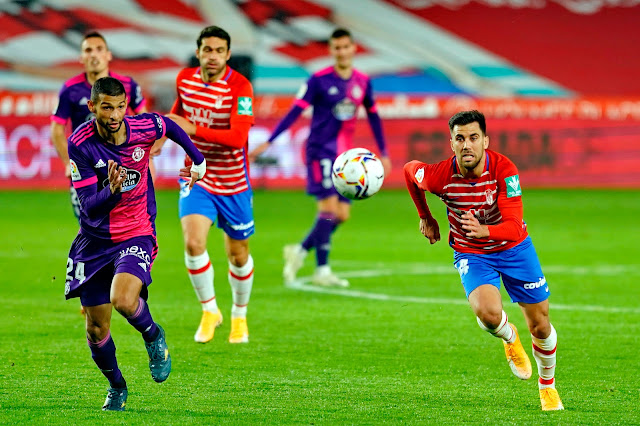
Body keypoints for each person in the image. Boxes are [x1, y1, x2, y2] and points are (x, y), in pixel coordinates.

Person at [403, 110, 563, 411]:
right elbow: (410, 170)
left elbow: (515, 225)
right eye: (460, 138)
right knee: (488, 314)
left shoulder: (505, 169)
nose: (467, 145)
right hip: (472, 252)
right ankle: (508, 335)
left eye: (473, 138)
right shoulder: (439, 175)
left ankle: (547, 387)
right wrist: (425, 216)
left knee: (541, 326)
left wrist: (485, 230)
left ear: (485, 141)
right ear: (451, 144)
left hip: (515, 249)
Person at [64, 76, 206, 411]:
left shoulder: (143, 126)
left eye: (120, 107)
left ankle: (153, 335)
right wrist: (111, 190)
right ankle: (117, 386)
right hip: (94, 241)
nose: (114, 115)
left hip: (136, 232)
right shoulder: (80, 144)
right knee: (97, 328)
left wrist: (197, 159)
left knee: (124, 299)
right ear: (92, 107)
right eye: (106, 107)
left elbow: (168, 125)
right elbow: (87, 205)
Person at [250, 28, 391, 288]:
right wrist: (269, 140)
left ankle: (300, 250)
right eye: (337, 47)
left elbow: (373, 116)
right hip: (319, 151)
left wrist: (383, 152)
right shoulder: (318, 80)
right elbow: (294, 112)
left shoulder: (362, 81)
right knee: (327, 210)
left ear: (353, 49)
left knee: (342, 214)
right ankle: (322, 270)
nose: (342, 51)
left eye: (346, 46)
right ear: (331, 51)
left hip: (344, 156)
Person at [165, 26, 255, 345]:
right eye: (207, 50)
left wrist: (195, 129)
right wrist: (159, 135)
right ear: (198, 52)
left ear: (228, 54)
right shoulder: (184, 80)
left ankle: (239, 316)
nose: (213, 56)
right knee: (193, 244)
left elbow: (238, 139)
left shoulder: (241, 88)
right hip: (197, 176)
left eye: (219, 50)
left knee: (238, 255)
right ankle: (209, 310)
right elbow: (178, 115)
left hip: (233, 182)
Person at [51, 31, 159, 223]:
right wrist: (68, 162)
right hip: (87, 168)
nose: (94, 55)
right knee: (92, 225)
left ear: (109, 55)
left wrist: (146, 156)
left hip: (122, 165)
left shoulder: (127, 85)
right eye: (88, 50)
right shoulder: (70, 89)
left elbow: (145, 119)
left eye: (99, 49)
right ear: (81, 57)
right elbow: (57, 129)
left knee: (128, 225)